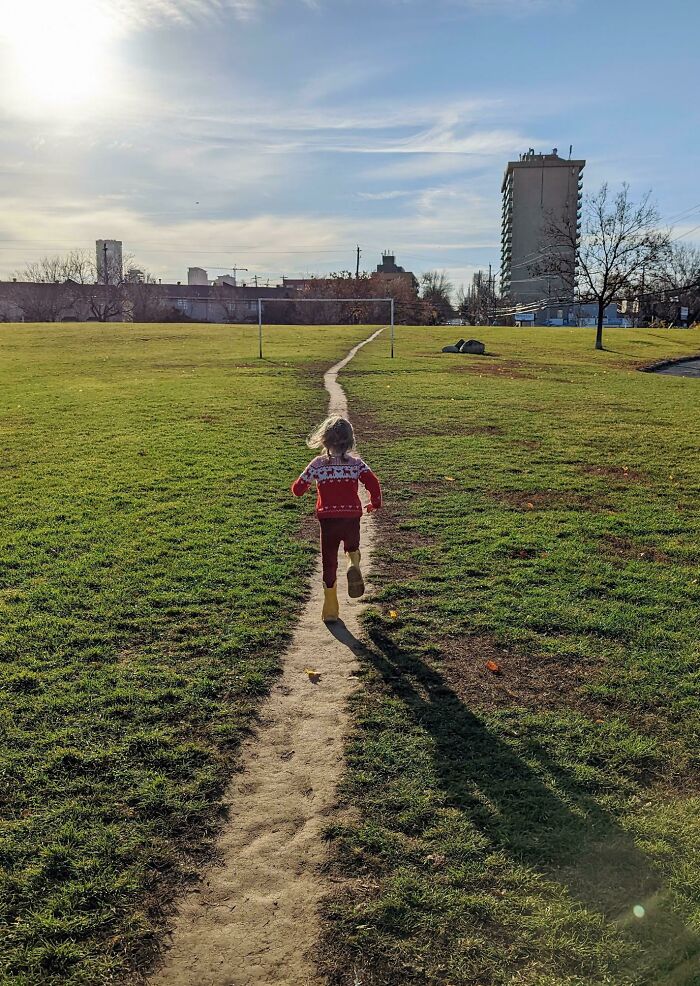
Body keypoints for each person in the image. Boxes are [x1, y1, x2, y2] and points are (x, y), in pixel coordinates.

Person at [291, 414, 382, 623]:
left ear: (324, 440)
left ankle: (330, 608)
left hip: (328, 518)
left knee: (329, 561)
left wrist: (303, 486)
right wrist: (374, 502)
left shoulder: (318, 464)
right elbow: (373, 482)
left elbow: (297, 489)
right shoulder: (356, 464)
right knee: (352, 547)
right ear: (350, 441)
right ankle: (353, 563)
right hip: (351, 515)